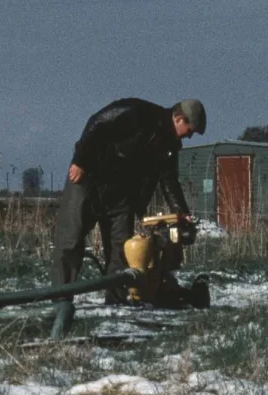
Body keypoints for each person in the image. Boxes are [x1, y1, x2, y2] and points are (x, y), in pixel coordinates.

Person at [55, 98, 204, 289]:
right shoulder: (137, 113)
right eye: (190, 130)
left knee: (121, 250)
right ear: (178, 118)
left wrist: (181, 212)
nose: (189, 137)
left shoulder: (170, 146)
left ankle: (117, 307)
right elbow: (97, 123)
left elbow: (169, 181)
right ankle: (60, 300)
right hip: (89, 179)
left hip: (121, 194)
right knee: (70, 241)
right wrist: (80, 161)